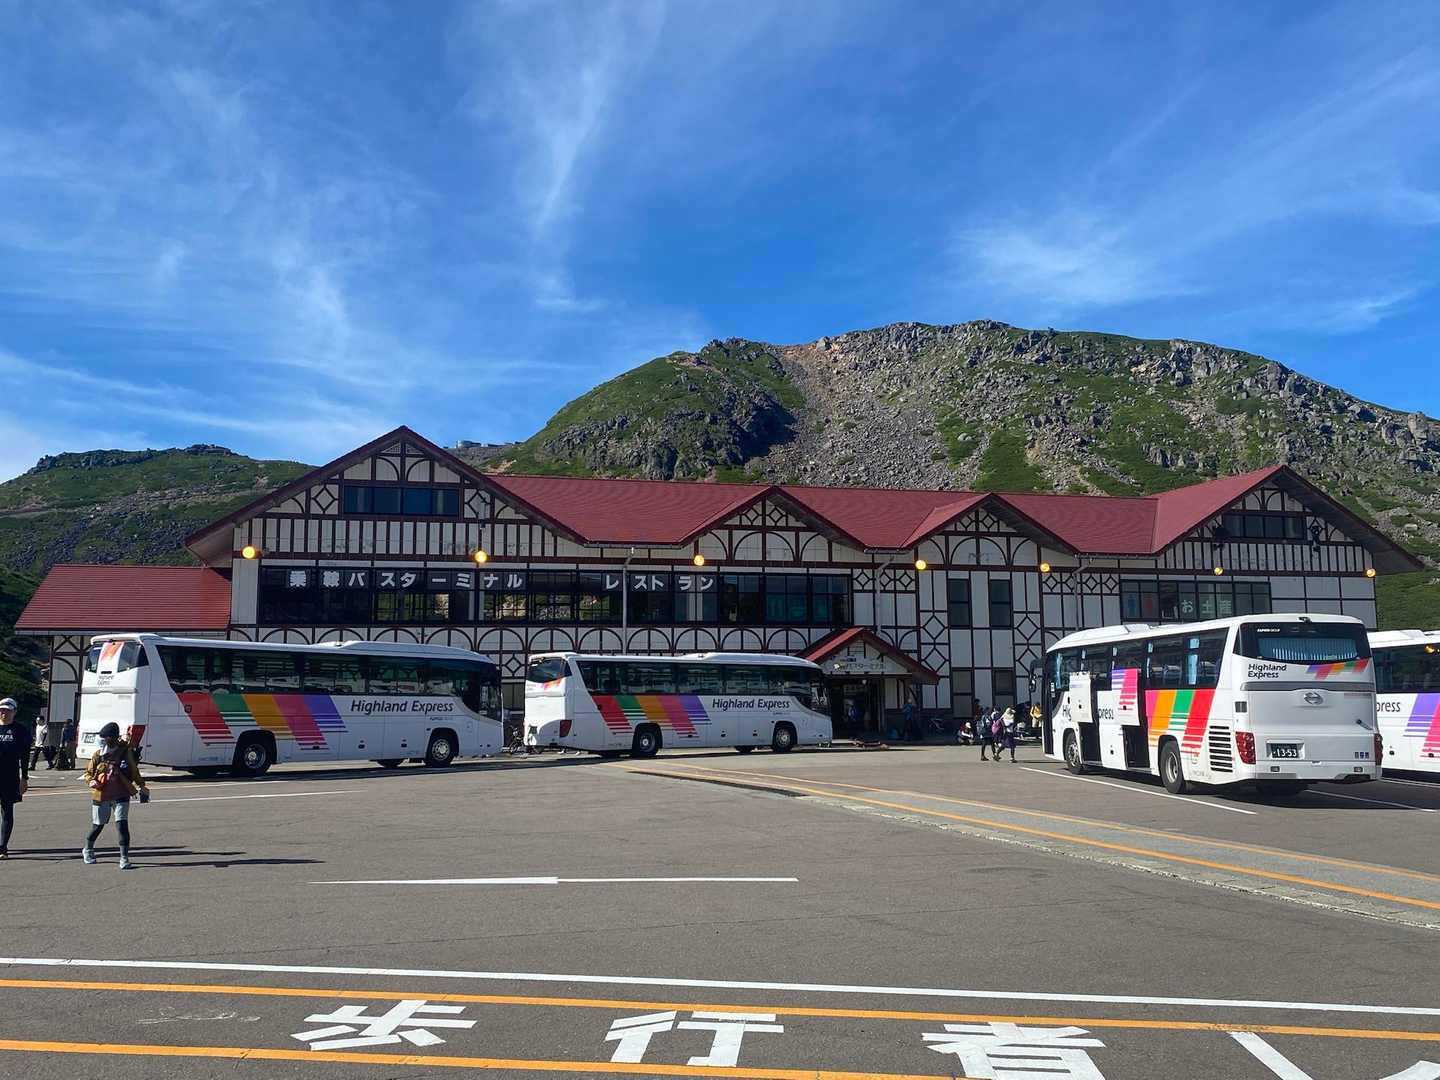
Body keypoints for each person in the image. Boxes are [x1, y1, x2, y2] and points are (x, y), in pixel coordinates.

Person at [83, 721, 148, 870]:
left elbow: (134, 770)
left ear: (112, 738)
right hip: (101, 795)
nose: (103, 740)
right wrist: (91, 781)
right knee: (98, 826)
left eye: (105, 737)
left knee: (122, 825)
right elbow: (88, 773)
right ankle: (88, 849)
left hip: (121, 794)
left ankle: (124, 858)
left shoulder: (125, 752)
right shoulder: (98, 755)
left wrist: (142, 785)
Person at [0, 698, 29, 858]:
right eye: (1, 710)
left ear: (14, 712)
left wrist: (24, 778)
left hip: (9, 777)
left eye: (7, 710)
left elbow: (24, 756)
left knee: (7, 811)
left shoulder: (20, 730)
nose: (3, 713)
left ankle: (3, 847)